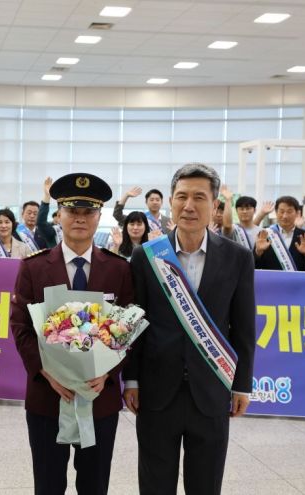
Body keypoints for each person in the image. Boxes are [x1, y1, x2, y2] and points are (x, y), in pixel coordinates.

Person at [124, 162, 255, 495]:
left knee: (206, 484)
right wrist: (133, 380)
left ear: (214, 204)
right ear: (171, 201)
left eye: (199, 197)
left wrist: (241, 385)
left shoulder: (238, 258)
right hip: (156, 392)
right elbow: (135, 322)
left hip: (211, 391)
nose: (189, 205)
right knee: (155, 483)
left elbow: (242, 326)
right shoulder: (147, 257)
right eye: (181, 196)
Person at [11, 172, 134, 495]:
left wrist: (108, 373)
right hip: (47, 397)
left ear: (99, 216)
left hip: (100, 398)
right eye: (72, 210)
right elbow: (21, 327)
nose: (80, 218)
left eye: (88, 211)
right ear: (58, 215)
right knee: (48, 484)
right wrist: (45, 371)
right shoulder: (33, 267)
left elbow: (129, 329)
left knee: (94, 485)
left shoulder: (119, 269)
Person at [253, 196, 305, 272]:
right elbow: (254, 266)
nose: (285, 216)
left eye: (289, 212)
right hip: (271, 281)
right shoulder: (265, 234)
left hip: (296, 282)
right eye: (281, 211)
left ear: (297, 213)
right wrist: (258, 252)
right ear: (276, 212)